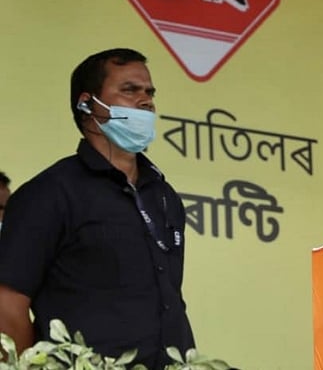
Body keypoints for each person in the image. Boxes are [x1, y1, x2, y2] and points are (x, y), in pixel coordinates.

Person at [0, 48, 194, 368]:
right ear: (87, 103)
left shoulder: (163, 195)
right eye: (130, 90)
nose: (145, 101)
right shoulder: (50, 192)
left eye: (149, 92)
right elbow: (8, 303)